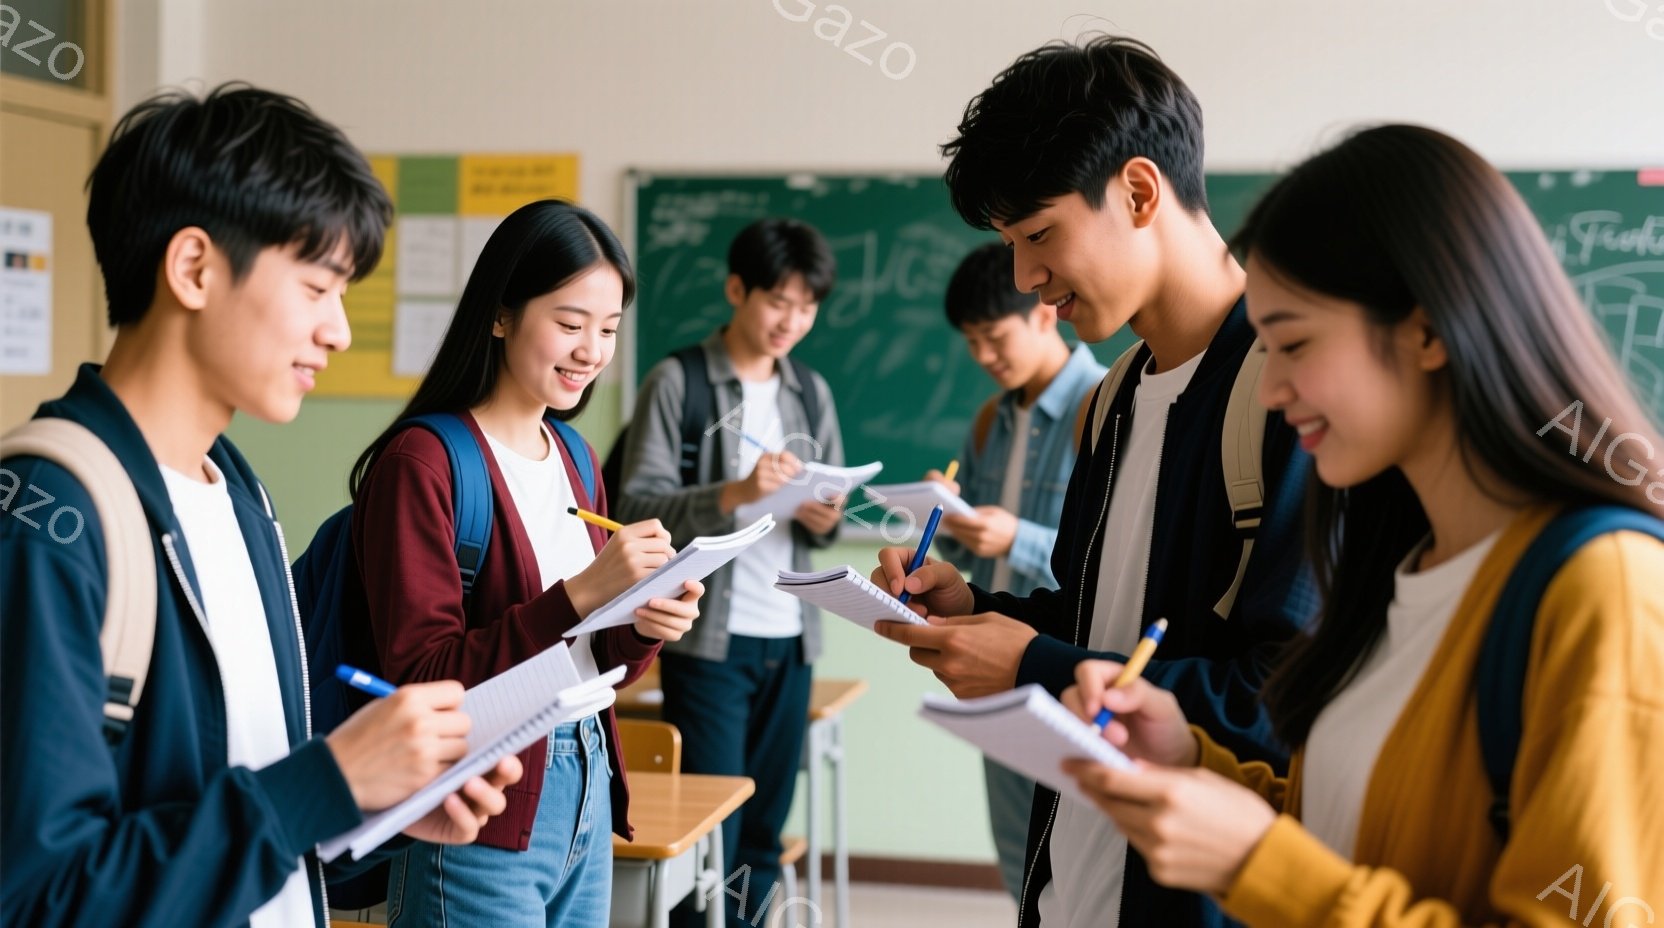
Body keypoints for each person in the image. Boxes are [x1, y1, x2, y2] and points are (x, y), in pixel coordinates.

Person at [1061, 122, 1664, 928]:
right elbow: (1363, 829)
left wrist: (1257, 865)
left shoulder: (1602, 586)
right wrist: (1195, 759)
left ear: (1427, 327)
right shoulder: (1403, 565)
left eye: (1295, 344)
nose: (1271, 389)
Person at [0, 83, 519, 927]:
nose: (340, 331)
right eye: (318, 288)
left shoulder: (238, 494)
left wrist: (376, 804)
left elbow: (246, 792)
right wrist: (328, 782)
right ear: (195, 267)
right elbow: (38, 896)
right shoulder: (48, 514)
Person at [871, 36, 1317, 927]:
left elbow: (1285, 704)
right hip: (1069, 882)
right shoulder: (1111, 401)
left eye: (1037, 235)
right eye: (1008, 244)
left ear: (1140, 192)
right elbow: (1096, 622)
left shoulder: (1292, 394)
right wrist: (980, 613)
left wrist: (1035, 664)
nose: (1027, 279)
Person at [349, 198, 702, 925]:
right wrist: (578, 595)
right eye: (570, 325)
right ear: (502, 314)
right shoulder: (425, 462)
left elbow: (593, 662)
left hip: (587, 785)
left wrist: (641, 625)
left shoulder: (575, 457)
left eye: (607, 330)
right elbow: (421, 677)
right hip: (477, 804)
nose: (592, 352)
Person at [615, 217, 844, 926]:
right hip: (707, 642)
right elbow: (632, 503)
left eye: (807, 307)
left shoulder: (811, 391)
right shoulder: (678, 381)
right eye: (778, 301)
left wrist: (823, 514)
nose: (792, 321)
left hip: (790, 640)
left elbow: (833, 517)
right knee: (708, 833)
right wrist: (735, 493)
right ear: (736, 289)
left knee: (762, 838)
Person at [926, 241, 1106, 900]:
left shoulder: (1107, 405)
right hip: (995, 661)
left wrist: (1018, 536)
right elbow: (980, 561)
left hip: (1074, 664)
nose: (983, 357)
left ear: (1043, 312)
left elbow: (1108, 556)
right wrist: (950, 524)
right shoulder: (987, 422)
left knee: (1082, 862)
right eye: (971, 342)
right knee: (1017, 852)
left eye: (993, 337)